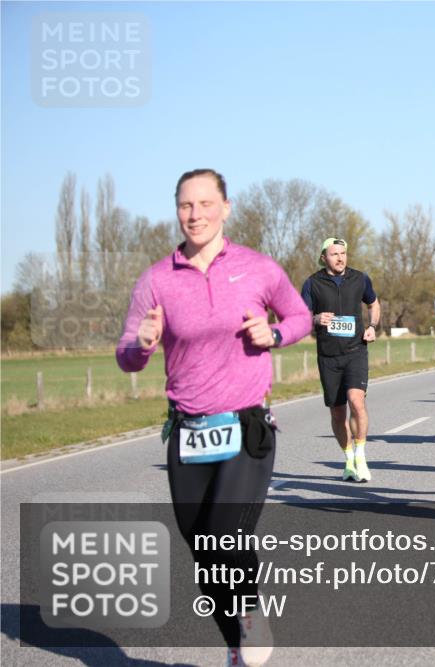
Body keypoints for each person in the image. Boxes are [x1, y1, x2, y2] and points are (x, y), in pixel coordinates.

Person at [116, 169, 312, 667]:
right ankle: (235, 644)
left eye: (206, 204)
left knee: (227, 532)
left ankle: (250, 615)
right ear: (176, 210)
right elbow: (126, 352)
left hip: (245, 425)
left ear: (225, 207)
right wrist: (140, 344)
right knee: (202, 549)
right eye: (186, 205)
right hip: (187, 430)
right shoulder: (158, 278)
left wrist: (275, 335)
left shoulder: (258, 268)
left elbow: (300, 317)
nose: (195, 214)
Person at [301, 238, 380, 482]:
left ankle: (361, 456)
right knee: (337, 412)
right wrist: (315, 319)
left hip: (356, 350)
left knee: (357, 401)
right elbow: (300, 316)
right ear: (323, 257)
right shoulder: (312, 283)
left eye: (343, 253)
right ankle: (348, 460)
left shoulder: (360, 278)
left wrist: (373, 326)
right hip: (328, 356)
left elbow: (373, 303)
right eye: (334, 254)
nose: (340, 258)